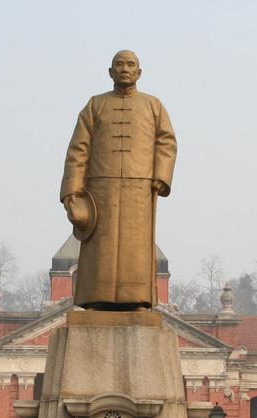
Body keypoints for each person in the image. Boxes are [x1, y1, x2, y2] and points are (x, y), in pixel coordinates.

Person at [61, 50, 177, 311]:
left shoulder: (153, 106)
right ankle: (95, 299)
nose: (125, 69)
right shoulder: (95, 105)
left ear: (139, 72)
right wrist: (72, 191)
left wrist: (161, 175)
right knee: (100, 250)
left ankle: (136, 300)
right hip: (100, 190)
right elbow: (78, 148)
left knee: (135, 250)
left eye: (130, 65)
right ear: (110, 72)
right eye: (119, 65)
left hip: (140, 188)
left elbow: (166, 142)